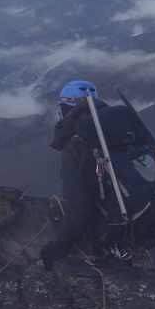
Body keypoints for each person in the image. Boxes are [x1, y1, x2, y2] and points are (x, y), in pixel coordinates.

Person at [39, 80, 109, 270]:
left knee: (57, 208)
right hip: (132, 218)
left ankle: (88, 252)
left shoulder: (77, 146)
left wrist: (57, 248)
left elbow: (80, 207)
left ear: (66, 109)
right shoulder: (109, 133)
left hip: (106, 228)